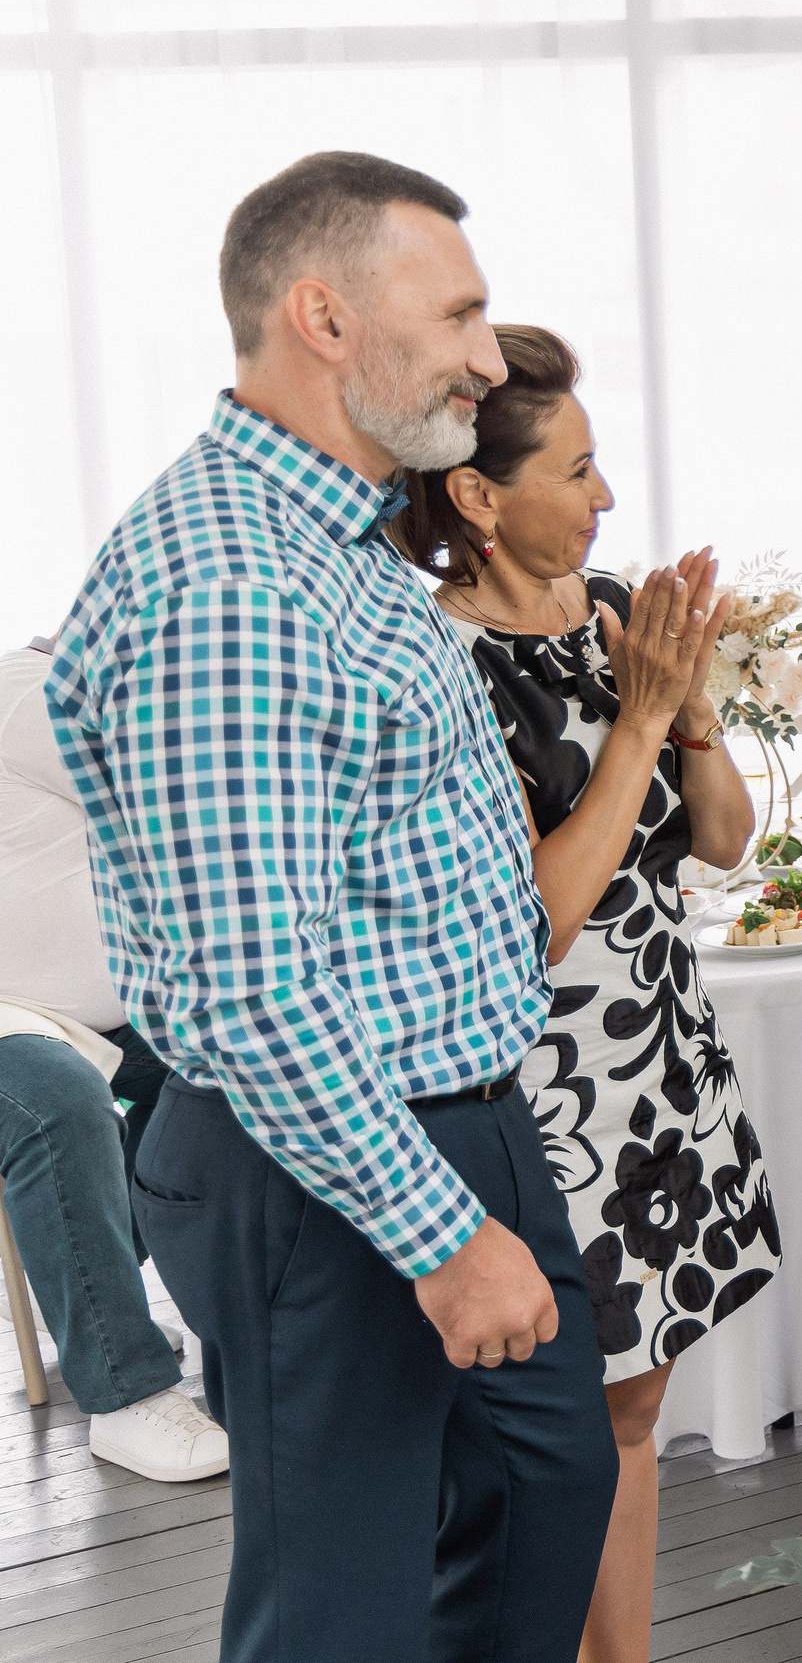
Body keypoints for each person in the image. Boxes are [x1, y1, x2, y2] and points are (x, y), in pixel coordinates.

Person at [44, 152, 617, 1661]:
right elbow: (249, 988)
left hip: (458, 1113)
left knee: (546, 1486)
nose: (491, 359)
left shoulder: (337, 545)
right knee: (340, 1613)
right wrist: (442, 1233)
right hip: (324, 1158)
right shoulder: (227, 581)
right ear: (325, 316)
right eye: (464, 314)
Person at [397, 325, 778, 1663]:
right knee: (546, 1446)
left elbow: (725, 836)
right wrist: (634, 719)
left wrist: (688, 703)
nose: (608, 496)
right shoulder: (436, 662)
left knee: (634, 1416)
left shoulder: (613, 606)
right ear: (480, 496)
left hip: (661, 1071)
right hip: (544, 1093)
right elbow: (535, 917)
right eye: (582, 466)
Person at [0, 634, 227, 1483]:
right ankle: (125, 1393)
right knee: (58, 1104)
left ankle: (113, 1303)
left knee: (231, 1062)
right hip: (14, 1019)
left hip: (97, 1010)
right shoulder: (29, 688)